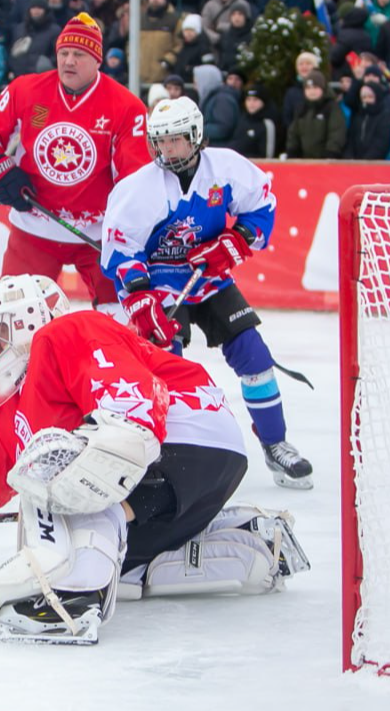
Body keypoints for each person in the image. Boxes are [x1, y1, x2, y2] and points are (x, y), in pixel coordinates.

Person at [0, 275, 308, 645]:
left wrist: (126, 433)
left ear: (29, 319)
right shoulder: (18, 407)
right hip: (192, 475)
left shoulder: (66, 334)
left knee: (53, 470)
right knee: (129, 569)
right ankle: (251, 545)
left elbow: (125, 396)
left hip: (177, 436)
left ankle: (65, 596)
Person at [101, 98, 314, 489]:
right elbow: (120, 249)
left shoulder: (227, 168)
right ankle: (164, 451)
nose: (167, 150)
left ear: (196, 136)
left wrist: (235, 242)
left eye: (177, 140)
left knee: (253, 353)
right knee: (166, 365)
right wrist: (139, 295)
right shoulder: (138, 189)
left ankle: (275, 443)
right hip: (162, 281)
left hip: (208, 278)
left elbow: (262, 205)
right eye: (160, 142)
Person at [0, 12, 150, 312]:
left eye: (79, 54)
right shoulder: (26, 90)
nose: (68, 61)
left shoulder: (126, 106)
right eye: (63, 53)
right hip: (34, 229)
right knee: (11, 316)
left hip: (99, 234)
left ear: (97, 60)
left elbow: (137, 176)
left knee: (123, 317)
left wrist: (128, 232)